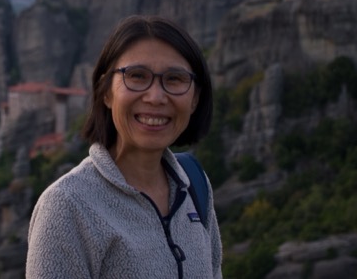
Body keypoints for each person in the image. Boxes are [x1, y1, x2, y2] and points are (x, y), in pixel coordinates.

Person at [26, 15, 223, 278]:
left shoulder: (195, 185)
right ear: (106, 92)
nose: (155, 97)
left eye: (174, 79)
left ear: (195, 98)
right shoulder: (68, 206)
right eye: (137, 76)